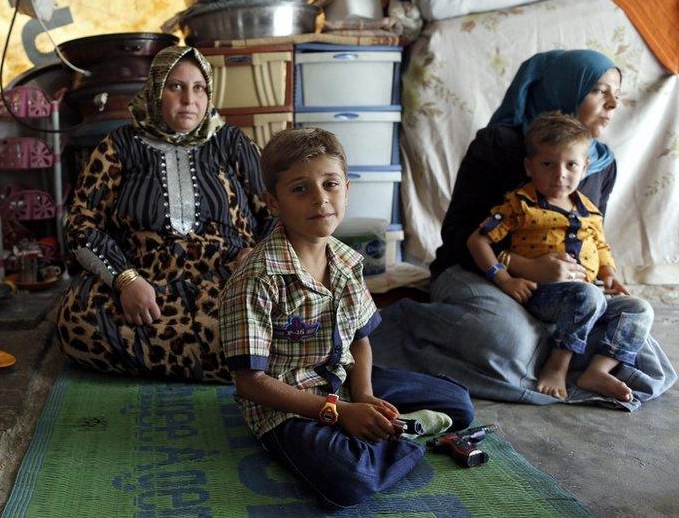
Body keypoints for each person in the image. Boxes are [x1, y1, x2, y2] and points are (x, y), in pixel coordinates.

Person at [370, 49, 675, 408]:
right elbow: (459, 236)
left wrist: (603, 275)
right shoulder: (500, 145)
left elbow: (593, 236)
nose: (612, 104)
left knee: (641, 343)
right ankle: (413, 325)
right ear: (564, 89)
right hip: (479, 272)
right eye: (598, 90)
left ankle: (568, 360)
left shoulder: (602, 165)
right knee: (508, 342)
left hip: (565, 292)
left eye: (616, 94)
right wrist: (525, 268)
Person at [219, 128, 473, 507]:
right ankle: (400, 437)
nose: (321, 199)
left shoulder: (345, 261)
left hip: (342, 379)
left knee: (459, 404)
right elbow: (250, 382)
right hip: (288, 405)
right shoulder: (257, 278)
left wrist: (366, 395)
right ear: (273, 203)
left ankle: (382, 431)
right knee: (350, 480)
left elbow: (360, 339)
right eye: (300, 189)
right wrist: (336, 412)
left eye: (330, 184)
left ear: (346, 190)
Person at [57, 45, 275, 382]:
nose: (189, 99)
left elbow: (276, 210)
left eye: (199, 88)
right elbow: (81, 224)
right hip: (147, 287)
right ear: (156, 90)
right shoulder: (120, 146)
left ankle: (170, 357)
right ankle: (235, 362)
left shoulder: (232, 142)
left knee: (280, 312)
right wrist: (125, 279)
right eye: (176, 86)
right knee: (78, 317)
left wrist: (259, 256)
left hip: (228, 281)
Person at [467, 112, 651, 402]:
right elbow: (477, 240)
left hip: (591, 295)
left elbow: (601, 247)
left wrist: (609, 274)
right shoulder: (520, 203)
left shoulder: (589, 209)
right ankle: (557, 365)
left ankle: (597, 371)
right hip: (545, 295)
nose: (560, 174)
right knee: (587, 297)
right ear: (530, 167)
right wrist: (503, 280)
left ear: (585, 167)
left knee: (639, 309)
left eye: (571, 165)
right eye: (548, 164)